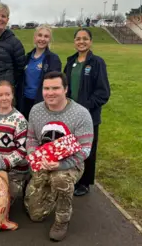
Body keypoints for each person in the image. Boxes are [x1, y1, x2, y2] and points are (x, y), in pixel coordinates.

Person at [24, 71, 94, 242]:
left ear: (66, 89)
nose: (50, 92)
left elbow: (85, 150)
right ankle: (45, 190)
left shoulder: (81, 113)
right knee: (36, 215)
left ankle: (62, 219)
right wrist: (36, 158)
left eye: (55, 88)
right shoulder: (36, 110)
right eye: (46, 88)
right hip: (44, 160)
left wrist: (60, 165)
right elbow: (31, 138)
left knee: (60, 180)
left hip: (70, 164)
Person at [63, 28, 110, 196]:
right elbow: (64, 88)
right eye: (78, 39)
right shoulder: (70, 62)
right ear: (74, 41)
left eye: (85, 39)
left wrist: (85, 107)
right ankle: (71, 176)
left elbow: (103, 92)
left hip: (89, 115)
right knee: (71, 147)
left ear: (90, 41)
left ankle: (85, 182)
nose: (81, 42)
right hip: (69, 114)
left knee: (87, 149)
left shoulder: (97, 63)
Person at [17, 24, 62, 120]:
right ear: (35, 38)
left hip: (42, 103)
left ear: (49, 39)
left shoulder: (53, 59)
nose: (42, 39)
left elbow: (54, 85)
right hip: (24, 102)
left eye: (46, 36)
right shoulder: (27, 57)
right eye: (40, 35)